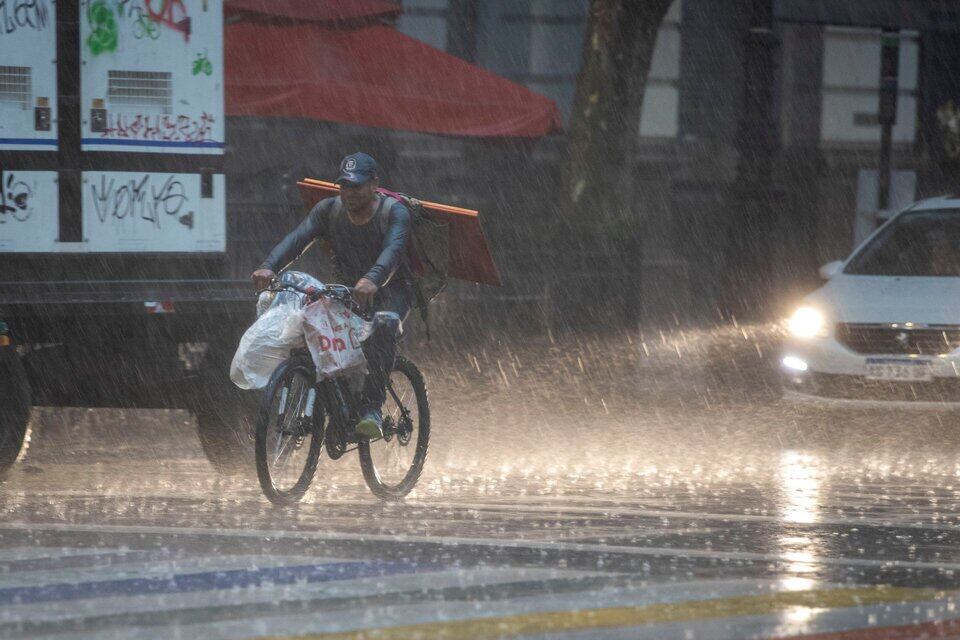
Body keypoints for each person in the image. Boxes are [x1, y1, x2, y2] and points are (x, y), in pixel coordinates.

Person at [251, 152, 412, 439]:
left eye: (357, 186)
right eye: (345, 185)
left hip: (391, 291)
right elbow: (297, 240)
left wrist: (372, 279)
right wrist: (269, 266)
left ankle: (372, 409)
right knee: (311, 322)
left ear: (374, 184)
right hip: (348, 290)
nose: (350, 192)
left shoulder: (395, 213)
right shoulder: (328, 210)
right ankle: (334, 402)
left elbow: (393, 252)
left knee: (383, 327)